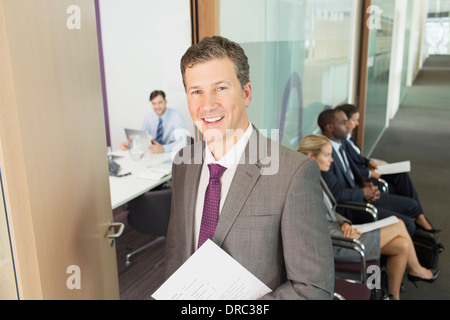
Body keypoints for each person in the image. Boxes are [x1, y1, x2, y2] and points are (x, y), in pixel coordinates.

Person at [163, 36, 335, 299]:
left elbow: (313, 290)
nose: (207, 105)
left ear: (245, 93)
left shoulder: (292, 173)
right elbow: (177, 253)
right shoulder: (183, 164)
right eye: (196, 91)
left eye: (220, 88)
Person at [297, 134, 439, 300]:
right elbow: (315, 229)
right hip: (337, 244)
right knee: (400, 224)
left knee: (402, 244)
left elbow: (330, 210)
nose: (331, 160)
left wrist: (345, 223)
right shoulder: (304, 187)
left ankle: (394, 296)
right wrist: (346, 232)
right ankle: (417, 270)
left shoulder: (317, 176)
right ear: (311, 157)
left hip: (342, 232)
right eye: (327, 155)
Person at [318, 108, 432, 236]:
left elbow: (353, 169)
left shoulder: (342, 143)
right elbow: (335, 194)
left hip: (361, 192)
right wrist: (362, 192)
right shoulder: (325, 155)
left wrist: (365, 185)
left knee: (412, 206)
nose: (349, 125)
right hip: (352, 205)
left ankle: (419, 236)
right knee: (407, 224)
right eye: (344, 122)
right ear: (330, 127)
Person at [120, 90, 187, 154]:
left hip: (171, 154)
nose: (157, 107)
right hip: (153, 154)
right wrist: (129, 145)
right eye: (154, 103)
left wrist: (163, 149)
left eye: (160, 102)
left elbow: (183, 142)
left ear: (165, 101)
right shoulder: (148, 118)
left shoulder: (176, 116)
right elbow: (142, 139)